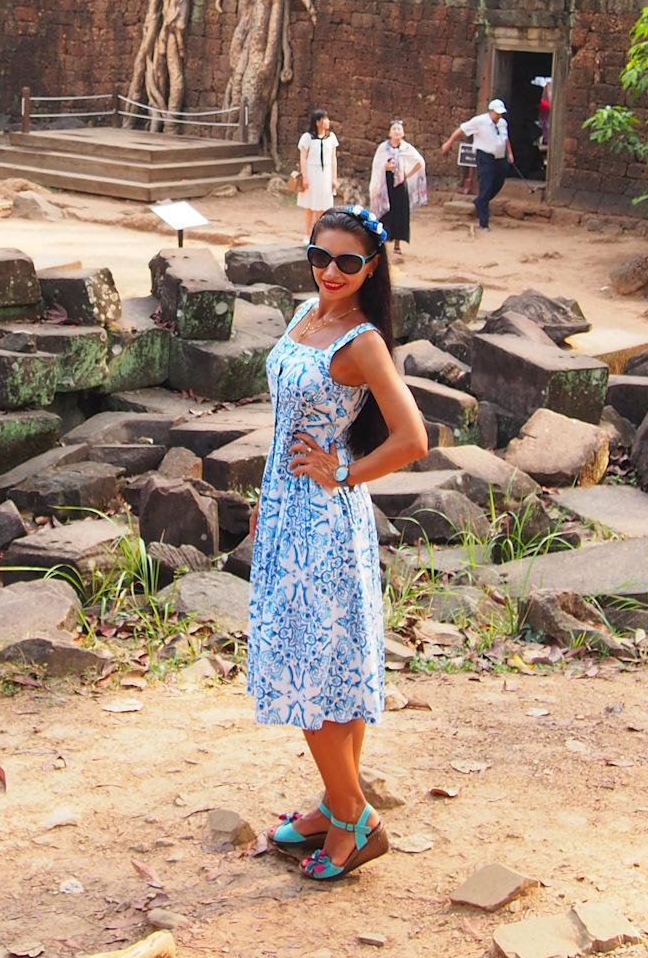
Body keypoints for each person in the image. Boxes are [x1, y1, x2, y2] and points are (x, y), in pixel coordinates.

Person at [249, 206, 429, 881]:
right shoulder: (308, 312)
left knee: (310, 670)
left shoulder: (362, 341)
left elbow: (413, 438)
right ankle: (334, 801)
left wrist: (344, 470)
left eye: (347, 263)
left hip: (323, 520)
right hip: (289, 508)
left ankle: (357, 818)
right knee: (332, 668)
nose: (330, 272)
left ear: (372, 267)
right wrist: (267, 501)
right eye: (319, 258)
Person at [442, 98, 515, 233]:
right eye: (497, 113)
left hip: (500, 157)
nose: (499, 116)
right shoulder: (479, 121)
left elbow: (506, 138)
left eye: (501, 114)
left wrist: (509, 153)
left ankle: (480, 201)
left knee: (498, 182)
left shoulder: (502, 123)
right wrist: (449, 143)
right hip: (485, 156)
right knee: (486, 186)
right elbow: (461, 129)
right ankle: (484, 222)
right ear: (490, 111)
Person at [367, 120, 427, 261]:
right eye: (394, 129)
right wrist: (385, 167)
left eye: (399, 129)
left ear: (403, 132)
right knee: (385, 213)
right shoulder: (383, 148)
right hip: (385, 184)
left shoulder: (407, 148)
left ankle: (397, 244)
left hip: (400, 185)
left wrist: (407, 174)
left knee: (400, 214)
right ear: (389, 132)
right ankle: (381, 243)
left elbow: (420, 162)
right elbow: (376, 165)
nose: (397, 131)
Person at [297, 109, 338, 237]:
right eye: (325, 119)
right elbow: (303, 157)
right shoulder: (307, 137)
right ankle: (308, 233)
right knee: (310, 205)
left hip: (325, 173)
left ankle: (317, 233)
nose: (328, 122)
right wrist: (305, 176)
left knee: (322, 205)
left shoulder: (331, 137)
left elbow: (333, 158)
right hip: (312, 171)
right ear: (318, 122)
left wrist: (334, 177)